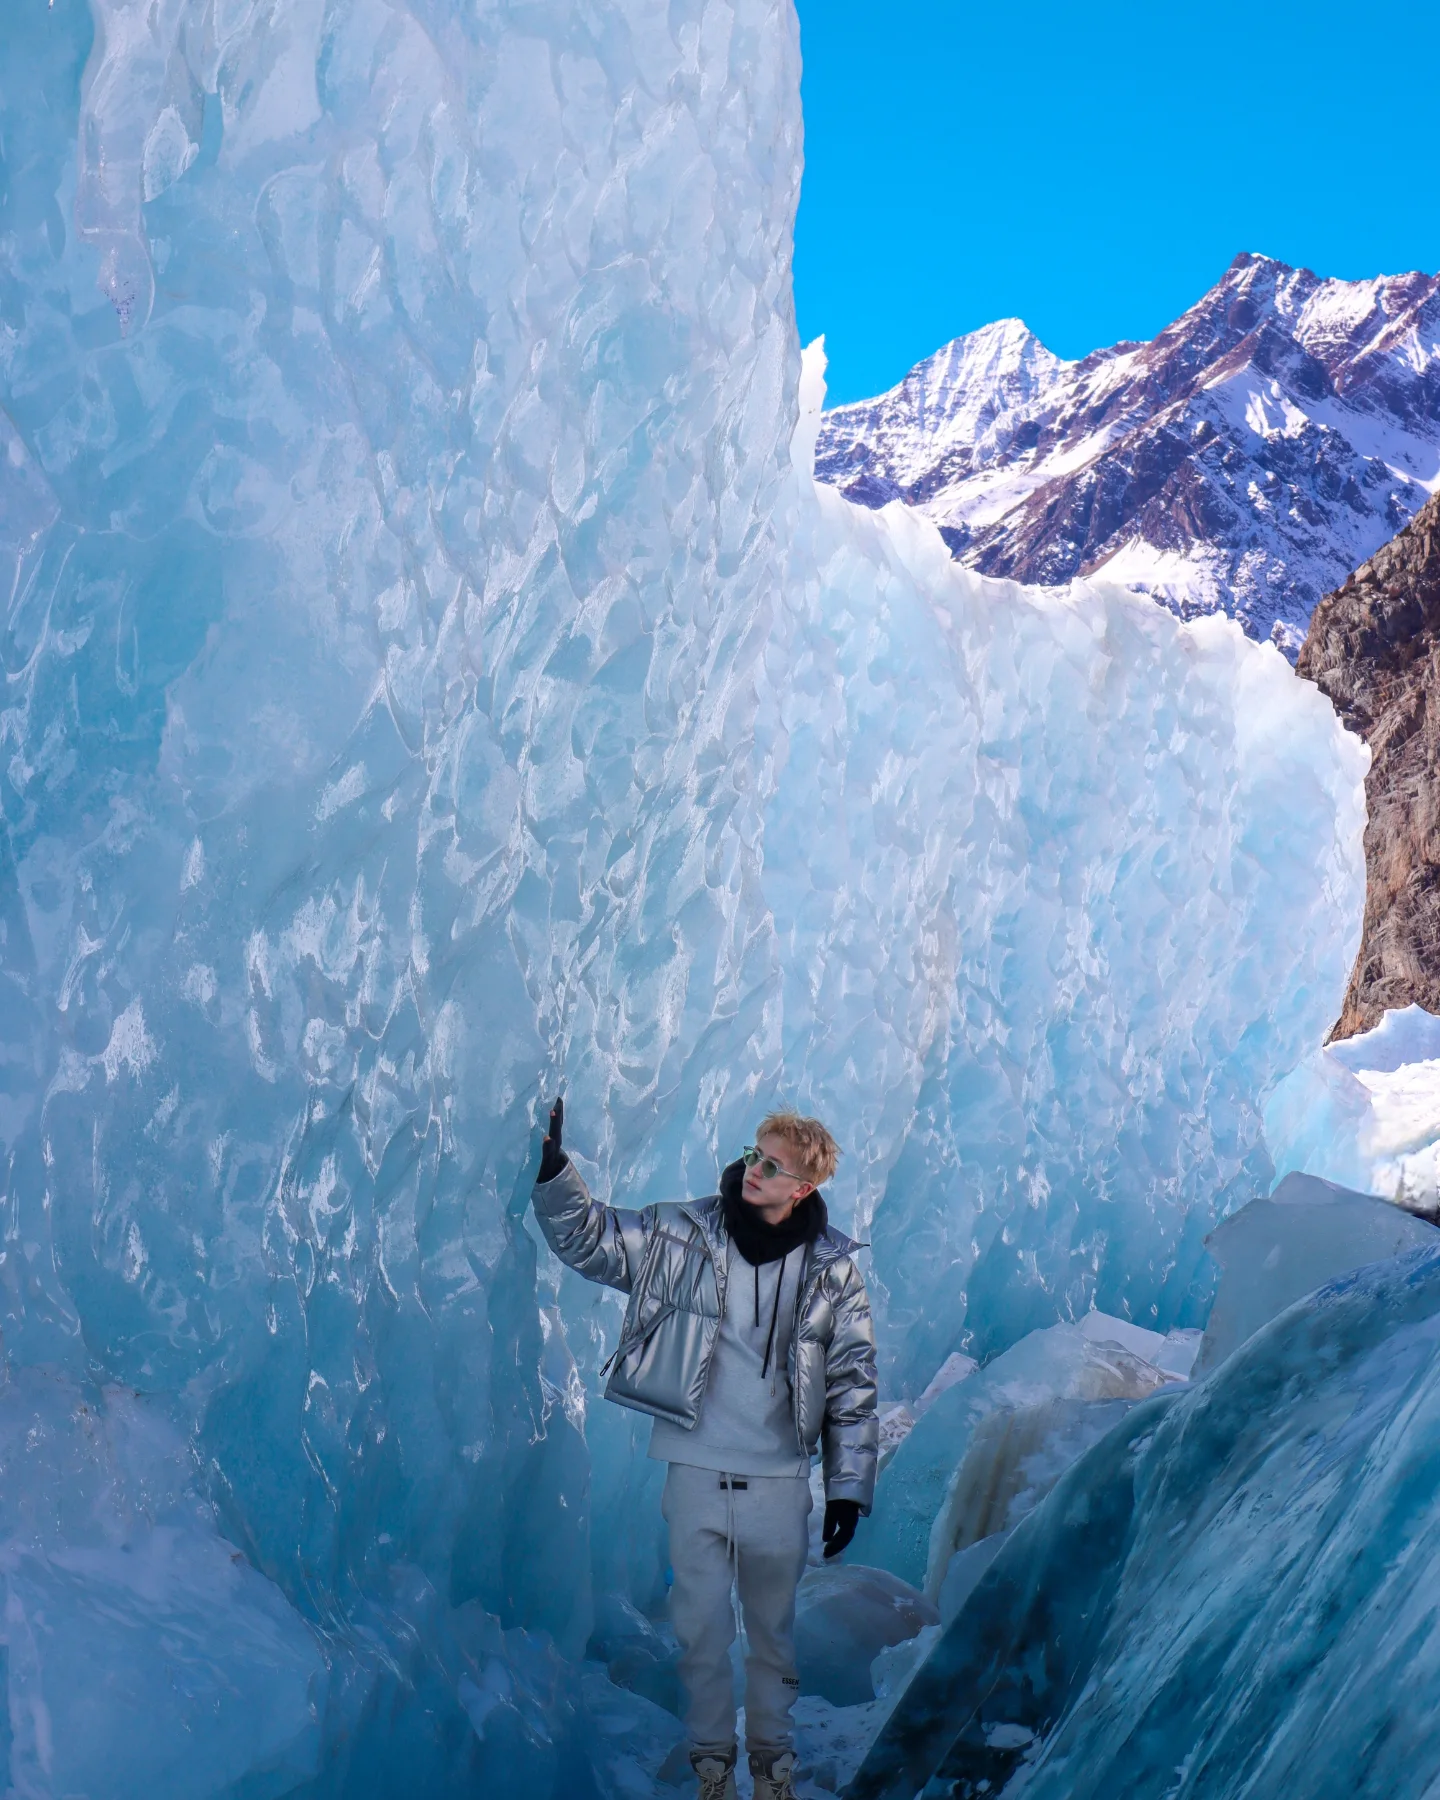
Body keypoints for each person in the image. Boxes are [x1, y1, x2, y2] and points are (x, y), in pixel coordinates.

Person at [531, 1099, 878, 1800]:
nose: (754, 1170)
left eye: (772, 1166)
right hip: (694, 1468)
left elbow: (853, 1380)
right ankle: (713, 1769)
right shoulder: (683, 1234)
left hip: (778, 1479)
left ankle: (773, 1770)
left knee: (773, 1637)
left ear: (803, 1188)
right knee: (700, 1633)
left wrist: (848, 1487)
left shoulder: (834, 1271)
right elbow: (592, 1240)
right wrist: (554, 1171)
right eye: (754, 1155)